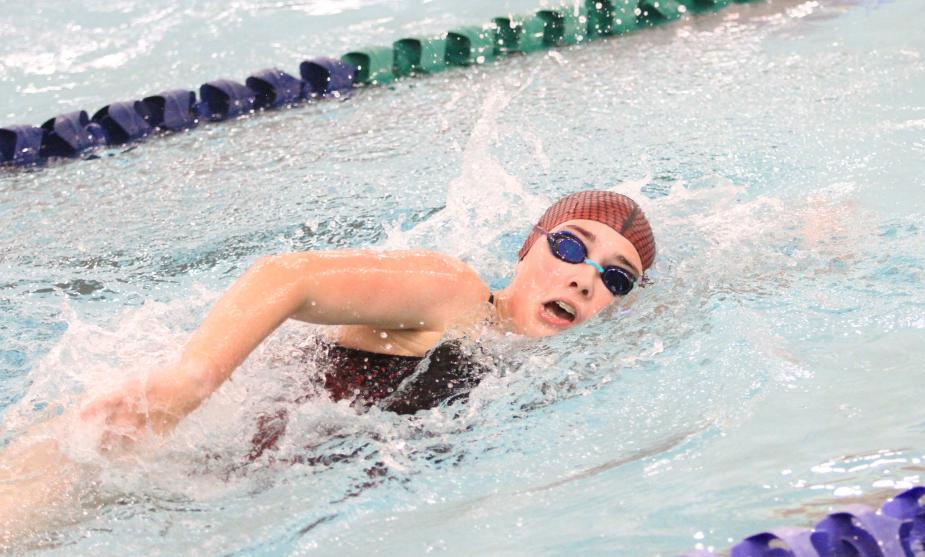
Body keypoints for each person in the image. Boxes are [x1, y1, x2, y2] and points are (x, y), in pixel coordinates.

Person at [0, 189, 655, 542]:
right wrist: (189, 381)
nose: (581, 280)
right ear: (526, 246)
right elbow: (288, 274)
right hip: (122, 440)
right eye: (570, 246)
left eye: (615, 279)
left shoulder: (515, 362)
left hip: (182, 482)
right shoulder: (452, 294)